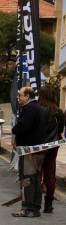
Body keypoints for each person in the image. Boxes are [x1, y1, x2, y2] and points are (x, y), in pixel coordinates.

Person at [11, 86, 46, 217]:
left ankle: (27, 208)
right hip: (38, 150)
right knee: (36, 179)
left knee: (27, 179)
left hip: (29, 151)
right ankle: (35, 207)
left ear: (27, 96)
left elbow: (23, 126)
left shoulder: (29, 109)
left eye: (20, 95)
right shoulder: (39, 108)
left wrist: (15, 130)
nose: (18, 97)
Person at [38, 85, 65, 213]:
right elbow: (60, 129)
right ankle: (48, 205)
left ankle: (35, 201)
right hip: (53, 144)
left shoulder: (39, 109)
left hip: (39, 145)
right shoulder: (58, 111)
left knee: (37, 172)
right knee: (50, 173)